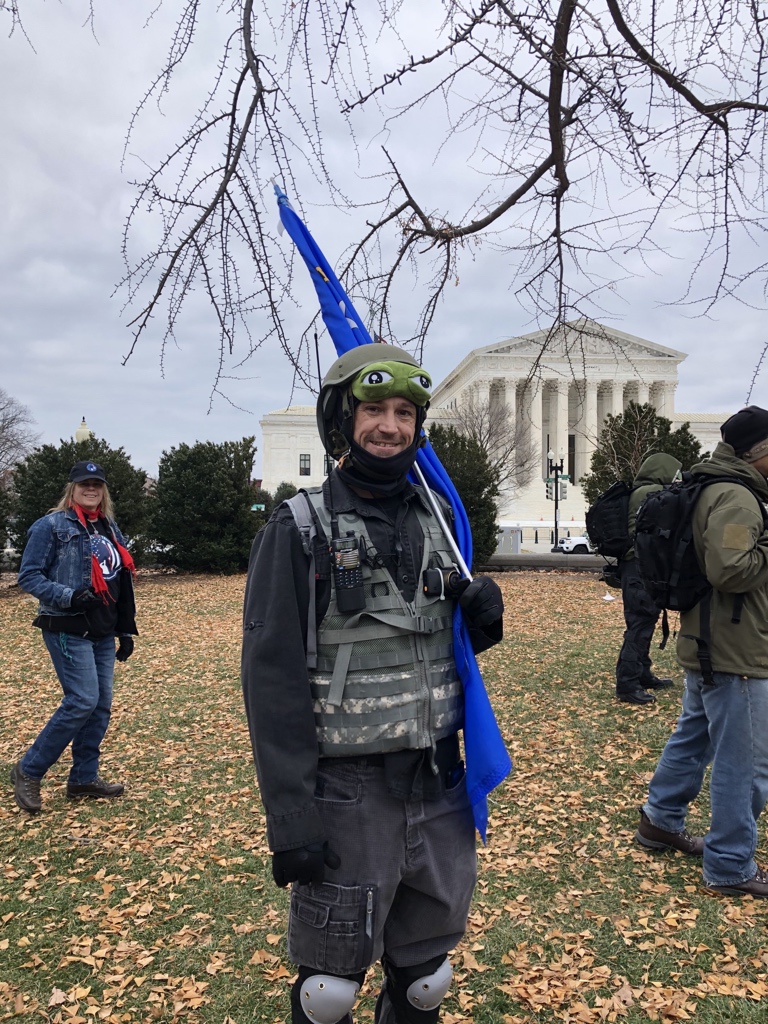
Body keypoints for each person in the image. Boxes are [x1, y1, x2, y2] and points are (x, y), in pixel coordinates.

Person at [241, 344, 505, 1024]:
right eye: (374, 411)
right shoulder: (297, 528)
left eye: (404, 413)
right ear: (342, 420)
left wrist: (480, 617)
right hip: (348, 792)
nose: (390, 427)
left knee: (425, 979)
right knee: (328, 991)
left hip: (439, 784)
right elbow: (271, 682)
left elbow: (437, 644)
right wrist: (291, 818)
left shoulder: (440, 519)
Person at [635, 406, 768, 896]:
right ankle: (731, 864)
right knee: (747, 762)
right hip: (736, 649)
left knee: (695, 736)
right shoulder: (736, 497)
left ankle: (660, 819)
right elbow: (732, 569)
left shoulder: (717, 487)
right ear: (759, 451)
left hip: (708, 641)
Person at [11, 461, 137, 813]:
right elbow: (29, 576)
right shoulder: (50, 526)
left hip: (102, 627)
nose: (91, 489)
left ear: (104, 490)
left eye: (97, 484)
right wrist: (68, 595)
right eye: (85, 484)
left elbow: (120, 581)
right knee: (82, 700)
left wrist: (125, 629)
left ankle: (83, 777)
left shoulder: (109, 527)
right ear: (72, 488)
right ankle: (29, 768)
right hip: (67, 625)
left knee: (99, 706)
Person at [615, 453, 682, 705]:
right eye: (674, 472)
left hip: (633, 567)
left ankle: (642, 674)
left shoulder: (639, 491)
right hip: (641, 568)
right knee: (640, 624)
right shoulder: (653, 493)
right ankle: (628, 684)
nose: (677, 478)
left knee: (643, 622)